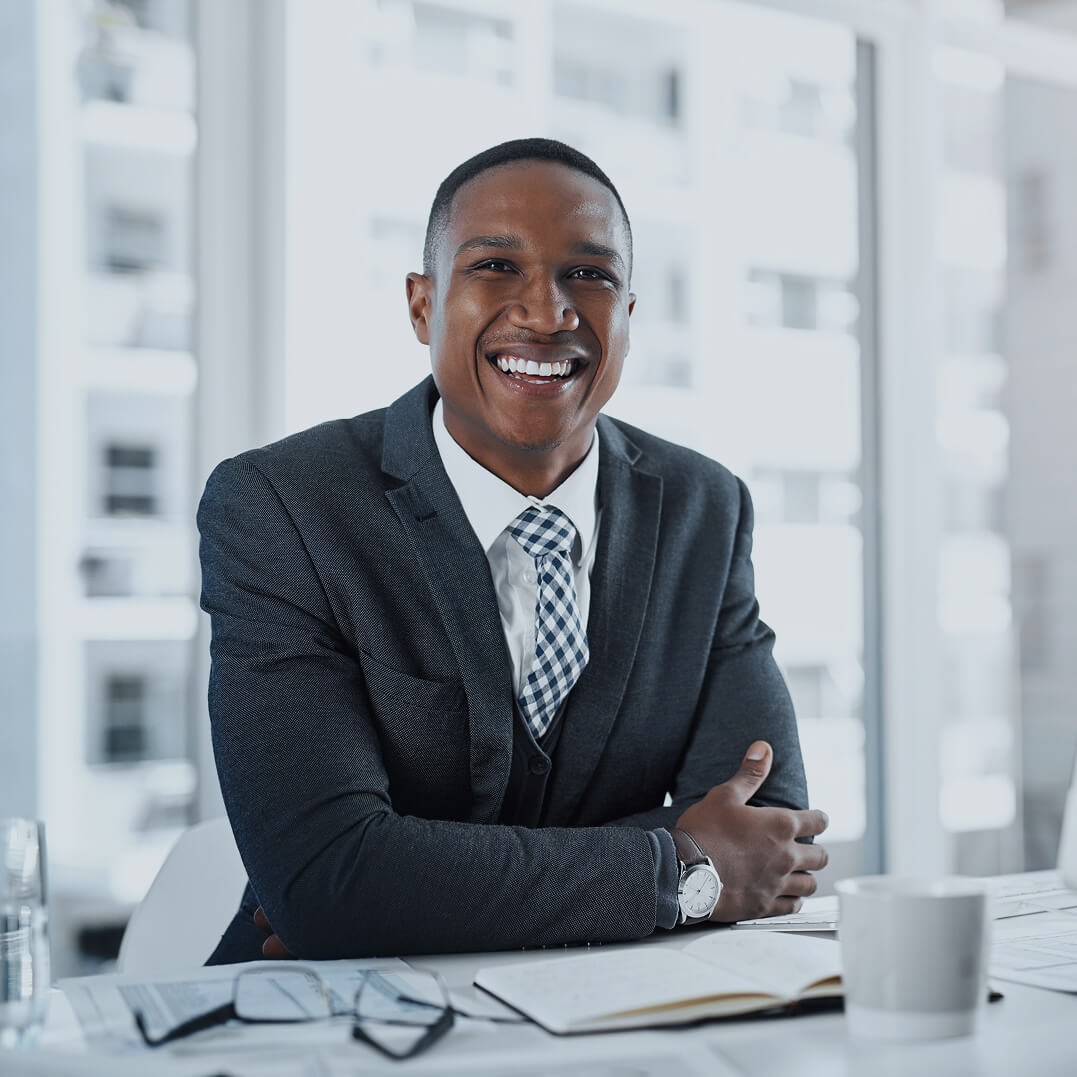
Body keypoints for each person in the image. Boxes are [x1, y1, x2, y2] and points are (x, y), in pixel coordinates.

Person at [198, 138, 829, 964]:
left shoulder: (703, 508)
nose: (547, 311)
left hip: (621, 1014)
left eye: (591, 275)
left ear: (629, 318)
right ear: (424, 305)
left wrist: (412, 879)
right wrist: (679, 863)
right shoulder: (282, 507)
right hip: (333, 1027)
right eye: (496, 266)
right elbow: (329, 881)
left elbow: (766, 840)